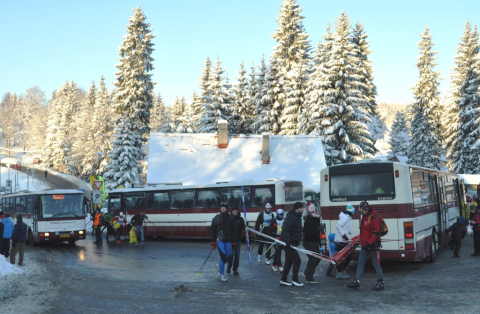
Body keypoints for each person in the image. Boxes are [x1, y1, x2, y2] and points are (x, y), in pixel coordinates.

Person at [346, 201, 384, 291]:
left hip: (373, 245)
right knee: (360, 262)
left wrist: (369, 243)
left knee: (376, 263)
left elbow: (376, 233)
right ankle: (356, 281)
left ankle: (380, 282)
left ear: (364, 209)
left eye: (359, 208)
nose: (358, 210)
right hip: (365, 245)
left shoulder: (373, 218)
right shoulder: (365, 217)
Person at [279, 202, 304, 287]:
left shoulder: (297, 217)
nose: (303, 210)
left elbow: (296, 230)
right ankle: (295, 279)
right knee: (297, 260)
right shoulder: (291, 217)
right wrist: (288, 241)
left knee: (289, 261)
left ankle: (283, 279)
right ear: (298, 209)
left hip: (293, 242)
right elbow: (286, 230)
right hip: (288, 243)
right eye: (301, 208)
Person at [210, 203, 233, 282]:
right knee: (223, 256)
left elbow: (234, 229)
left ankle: (219, 266)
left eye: (224, 208)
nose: (223, 209)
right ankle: (222, 274)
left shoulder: (230, 217)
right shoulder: (216, 218)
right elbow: (212, 230)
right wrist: (213, 242)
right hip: (220, 240)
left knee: (228, 255)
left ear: (227, 209)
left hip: (228, 240)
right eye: (222, 208)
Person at [335, 203, 355, 279]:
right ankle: (340, 272)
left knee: (347, 257)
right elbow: (338, 226)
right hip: (341, 241)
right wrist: (344, 235)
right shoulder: (345, 218)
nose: (354, 213)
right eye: (353, 212)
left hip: (344, 240)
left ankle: (342, 271)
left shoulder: (347, 217)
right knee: (344, 257)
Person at [303, 203, 322, 284]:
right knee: (313, 259)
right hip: (309, 242)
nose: (317, 212)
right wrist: (319, 229)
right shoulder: (309, 221)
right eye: (315, 211)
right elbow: (311, 233)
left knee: (317, 258)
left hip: (314, 242)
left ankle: (307, 272)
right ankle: (309, 278)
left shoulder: (314, 219)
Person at [227, 207, 245, 276]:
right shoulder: (229, 218)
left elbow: (243, 227)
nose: (235, 212)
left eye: (236, 211)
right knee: (231, 254)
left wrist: (246, 224)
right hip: (231, 239)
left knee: (237, 255)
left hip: (238, 239)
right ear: (232, 211)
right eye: (234, 211)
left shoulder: (240, 219)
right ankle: (229, 267)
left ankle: (235, 269)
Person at [269, 208, 285, 273]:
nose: (282, 216)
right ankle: (280, 266)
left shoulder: (284, 220)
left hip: (282, 238)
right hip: (276, 238)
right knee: (278, 252)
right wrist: (275, 237)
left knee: (277, 252)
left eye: (282, 215)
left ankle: (273, 265)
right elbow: (270, 232)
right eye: (281, 215)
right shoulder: (273, 221)